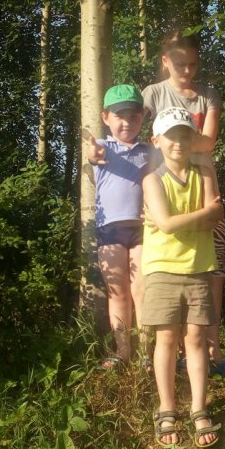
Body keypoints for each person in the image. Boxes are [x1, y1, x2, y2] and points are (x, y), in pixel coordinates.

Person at [142, 30, 225, 377]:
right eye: (179, 63)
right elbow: (137, 134)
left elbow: (209, 142)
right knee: (166, 268)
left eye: (193, 64)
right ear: (165, 61)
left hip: (203, 184)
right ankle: (169, 349)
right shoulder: (152, 93)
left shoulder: (209, 94)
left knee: (212, 268)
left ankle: (211, 348)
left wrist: (174, 142)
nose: (186, 70)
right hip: (165, 189)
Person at [141, 106, 223, 449]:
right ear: (157, 140)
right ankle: (167, 409)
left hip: (199, 268)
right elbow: (166, 223)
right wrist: (204, 213)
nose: (179, 142)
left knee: (196, 340)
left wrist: (188, 218)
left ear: (194, 139)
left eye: (185, 134)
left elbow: (213, 220)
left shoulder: (204, 174)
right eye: (172, 135)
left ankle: (199, 407)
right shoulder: (151, 180)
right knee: (166, 341)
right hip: (161, 269)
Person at [84, 84, 150, 370]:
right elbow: (92, 154)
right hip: (110, 229)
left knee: (143, 290)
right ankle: (123, 352)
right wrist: (93, 152)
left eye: (133, 116)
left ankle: (149, 353)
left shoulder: (151, 151)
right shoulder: (103, 147)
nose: (127, 122)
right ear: (105, 117)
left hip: (144, 229)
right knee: (118, 292)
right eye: (119, 116)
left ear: (142, 117)